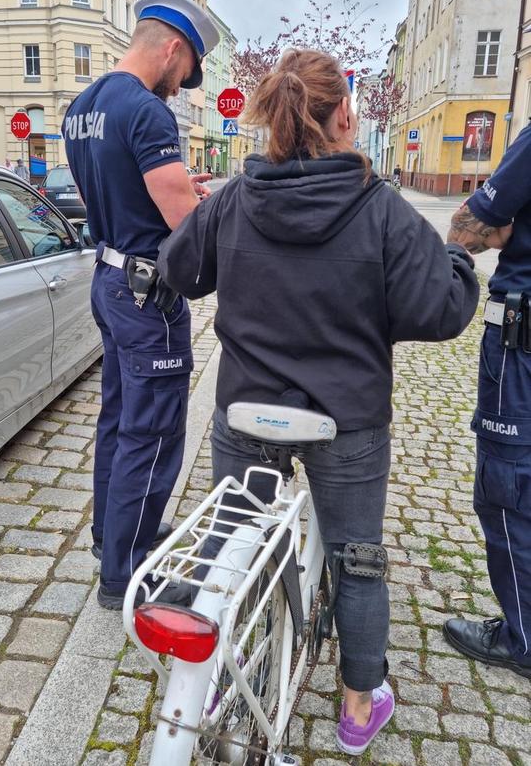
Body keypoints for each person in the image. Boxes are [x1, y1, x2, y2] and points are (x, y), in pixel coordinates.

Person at [157, 49, 479, 755]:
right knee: (357, 560)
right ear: (344, 116)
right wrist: (456, 255)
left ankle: (213, 673)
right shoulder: (382, 210)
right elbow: (444, 308)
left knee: (227, 543)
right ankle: (360, 705)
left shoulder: (238, 199)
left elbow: (181, 269)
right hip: (347, 421)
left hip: (247, 412)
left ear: (272, 119)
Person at [63, 0, 220, 610]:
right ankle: (125, 576)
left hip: (108, 276)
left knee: (117, 419)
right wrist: (199, 204)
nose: (181, 87)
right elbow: (182, 223)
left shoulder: (84, 104)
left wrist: (179, 188)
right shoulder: (149, 113)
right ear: (172, 49)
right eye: (185, 73)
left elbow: (109, 187)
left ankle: (113, 537)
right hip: (146, 294)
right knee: (151, 431)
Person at [443, 123, 531, 680]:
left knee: (508, 490)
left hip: (521, 350)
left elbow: (472, 225)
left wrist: (454, 248)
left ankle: (522, 638)